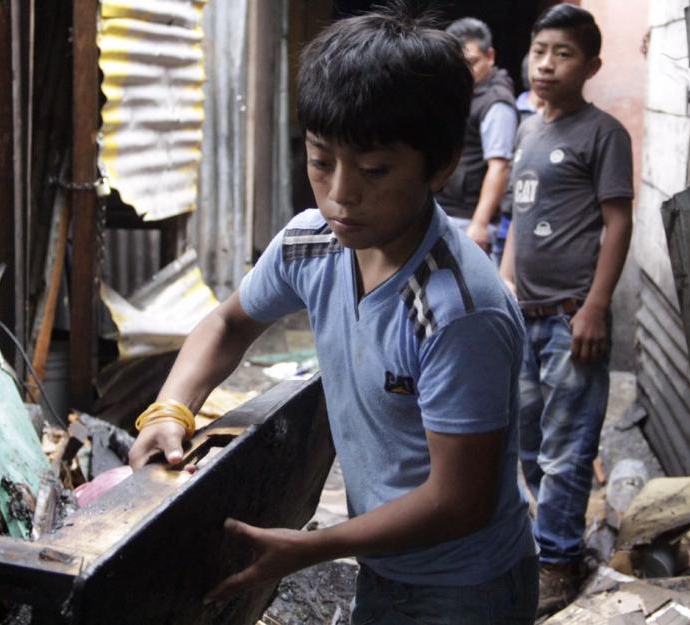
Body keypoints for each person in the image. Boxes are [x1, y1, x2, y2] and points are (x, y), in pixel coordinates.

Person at [128, 5, 538, 624]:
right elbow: (228, 324)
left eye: (374, 170)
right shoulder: (311, 243)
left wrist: (313, 547)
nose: (341, 195)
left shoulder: (457, 311)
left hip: (466, 587)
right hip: (386, 562)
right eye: (321, 161)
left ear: (442, 165)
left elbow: (460, 502)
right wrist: (169, 409)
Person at [499, 4, 633, 617]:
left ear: (591, 66)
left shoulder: (603, 134)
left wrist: (596, 307)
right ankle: (550, 543)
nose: (547, 64)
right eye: (540, 51)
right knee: (527, 442)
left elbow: (617, 222)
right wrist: (504, 289)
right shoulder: (527, 130)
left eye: (564, 53)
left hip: (571, 317)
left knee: (568, 446)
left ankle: (557, 560)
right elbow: (516, 223)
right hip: (524, 315)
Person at [437, 17, 517, 265]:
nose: (464, 71)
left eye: (471, 63)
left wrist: (480, 223)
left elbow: (499, 166)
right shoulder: (460, 93)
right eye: (457, 64)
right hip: (447, 210)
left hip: (469, 219)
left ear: (490, 57)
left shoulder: (496, 102)